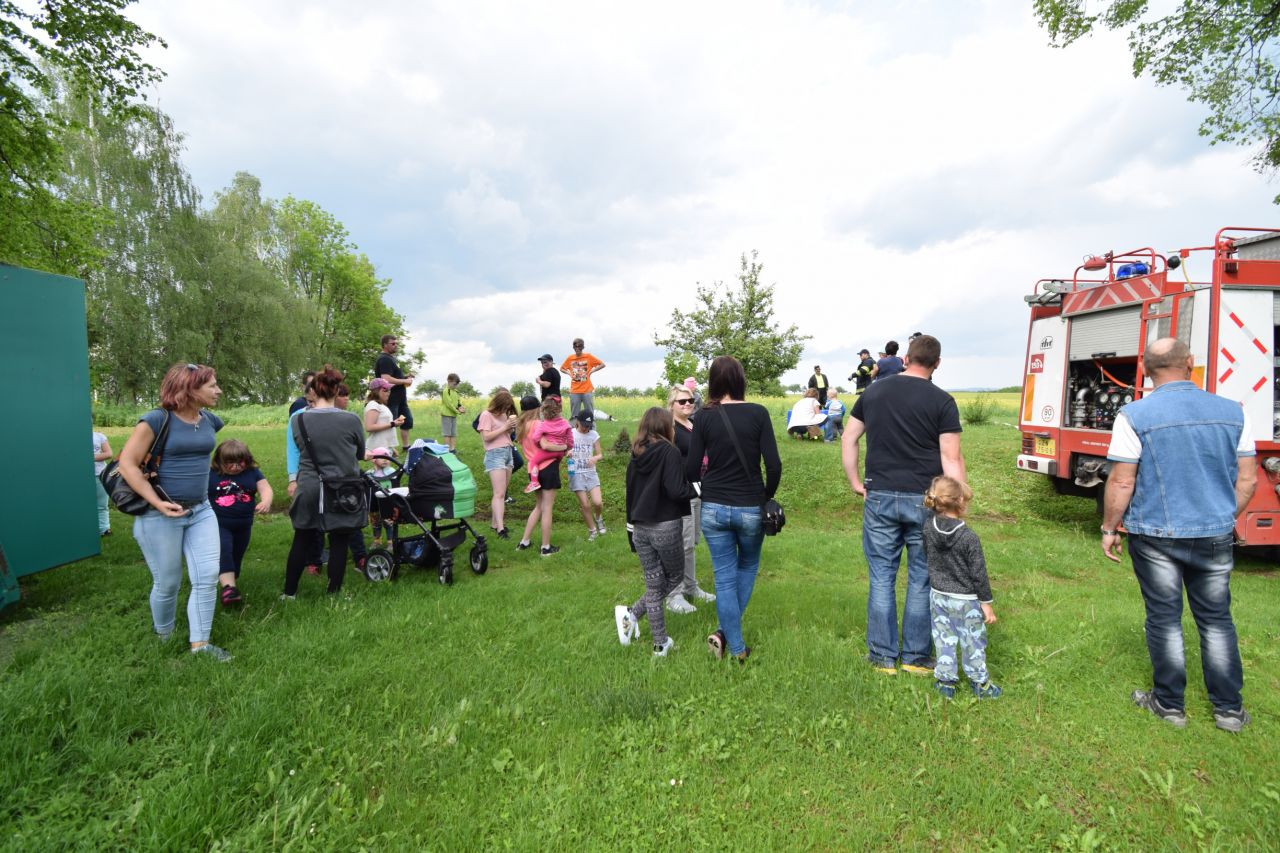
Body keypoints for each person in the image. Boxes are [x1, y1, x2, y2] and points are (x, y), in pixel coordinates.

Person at [1102, 337, 1257, 732]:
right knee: (1216, 619)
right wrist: (1222, 518)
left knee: (1165, 618)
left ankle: (1170, 706)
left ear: (1144, 368)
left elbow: (1122, 481)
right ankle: (1229, 711)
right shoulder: (1234, 412)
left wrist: (1109, 527)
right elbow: (1248, 480)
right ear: (1189, 362)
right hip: (1215, 532)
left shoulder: (1133, 415)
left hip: (1155, 535)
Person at [842, 334, 964, 676]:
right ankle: (915, 657)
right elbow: (951, 458)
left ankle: (882, 657)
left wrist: (855, 482)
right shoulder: (943, 401)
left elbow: (849, 438)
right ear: (937, 363)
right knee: (922, 577)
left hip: (880, 494)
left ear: (906, 359)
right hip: (926, 498)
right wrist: (956, 506)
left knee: (882, 576)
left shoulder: (873, 392)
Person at [116, 362, 229, 661]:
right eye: (212, 385)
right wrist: (157, 503)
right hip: (159, 515)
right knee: (168, 582)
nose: (218, 390)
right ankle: (163, 635)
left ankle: (200, 645)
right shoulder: (156, 420)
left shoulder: (210, 420)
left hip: (201, 510)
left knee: (207, 576)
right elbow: (127, 464)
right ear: (189, 389)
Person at [687, 355, 782, 663]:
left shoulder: (703, 417)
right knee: (748, 566)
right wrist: (765, 496)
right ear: (741, 380)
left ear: (713, 382)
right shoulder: (758, 413)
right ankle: (736, 647)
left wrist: (707, 485)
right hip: (750, 505)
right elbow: (774, 465)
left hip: (713, 507)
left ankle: (729, 638)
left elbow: (691, 468)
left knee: (724, 578)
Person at [615, 407, 699, 657]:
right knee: (673, 578)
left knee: (654, 583)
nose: (674, 429)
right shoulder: (670, 452)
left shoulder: (636, 454)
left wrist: (630, 531)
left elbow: (630, 495)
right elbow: (676, 490)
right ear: (665, 427)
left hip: (640, 528)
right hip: (665, 527)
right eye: (672, 425)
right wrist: (699, 487)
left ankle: (653, 636)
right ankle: (642, 624)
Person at [283, 366, 367, 598]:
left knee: (302, 538)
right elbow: (360, 453)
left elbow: (300, 449)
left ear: (313, 391)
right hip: (342, 488)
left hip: (309, 486)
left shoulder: (298, 420)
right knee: (339, 540)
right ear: (336, 390)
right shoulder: (351, 420)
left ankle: (289, 593)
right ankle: (333, 593)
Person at [923, 475, 1000, 699]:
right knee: (972, 641)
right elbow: (978, 574)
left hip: (938, 596)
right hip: (966, 600)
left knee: (943, 638)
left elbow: (927, 555)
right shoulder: (969, 537)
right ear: (960, 503)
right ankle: (980, 684)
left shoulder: (927, 527)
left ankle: (945, 683)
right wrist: (986, 603)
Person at [667, 385, 715, 614]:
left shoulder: (693, 425)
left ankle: (690, 586)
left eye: (690, 401)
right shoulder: (670, 429)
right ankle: (673, 595)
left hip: (697, 491)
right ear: (672, 404)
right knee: (681, 544)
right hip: (682, 493)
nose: (687, 404)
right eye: (682, 401)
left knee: (692, 542)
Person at [208, 439, 273, 607]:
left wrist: (266, 501)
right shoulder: (211, 474)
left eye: (240, 462)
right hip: (219, 523)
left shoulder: (252, 472)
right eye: (230, 462)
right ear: (219, 461)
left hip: (244, 524)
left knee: (237, 555)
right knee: (225, 550)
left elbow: (265, 488)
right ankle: (229, 589)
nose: (235, 466)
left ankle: (230, 581)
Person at [517, 397, 570, 555]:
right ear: (537, 408)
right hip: (547, 467)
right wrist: (564, 447)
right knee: (547, 509)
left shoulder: (521, 426)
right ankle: (545, 548)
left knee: (539, 506)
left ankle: (524, 542)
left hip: (533, 470)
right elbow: (546, 445)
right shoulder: (539, 425)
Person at [478, 388, 518, 540]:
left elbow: (505, 434)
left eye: (508, 407)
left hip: (508, 452)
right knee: (499, 493)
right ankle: (501, 529)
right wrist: (505, 427)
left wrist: (511, 428)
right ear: (498, 404)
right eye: (504, 407)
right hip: (495, 454)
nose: (506, 410)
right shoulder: (486, 415)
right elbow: (486, 437)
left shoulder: (504, 415)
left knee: (501, 491)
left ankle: (495, 524)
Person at [522, 396, 573, 494]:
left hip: (548, 453)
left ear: (544, 411)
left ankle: (534, 482)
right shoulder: (566, 423)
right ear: (559, 409)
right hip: (560, 453)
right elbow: (570, 439)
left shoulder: (543, 424)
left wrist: (538, 444)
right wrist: (568, 447)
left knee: (533, 462)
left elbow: (536, 438)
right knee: (556, 464)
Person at [568, 410, 605, 540]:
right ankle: (592, 531)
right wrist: (568, 452)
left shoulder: (593, 435)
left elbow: (600, 454)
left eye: (588, 426)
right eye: (584, 425)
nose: (586, 428)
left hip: (590, 473)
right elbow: (564, 450)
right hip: (575, 473)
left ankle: (598, 518)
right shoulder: (570, 433)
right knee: (585, 505)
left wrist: (595, 458)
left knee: (597, 502)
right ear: (578, 421)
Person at [375, 334, 415, 451]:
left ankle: (406, 446)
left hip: (401, 398)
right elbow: (386, 378)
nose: (395, 345)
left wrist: (405, 377)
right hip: (390, 397)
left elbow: (394, 376)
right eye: (393, 343)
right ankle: (386, 448)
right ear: (385, 345)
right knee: (390, 423)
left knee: (407, 421)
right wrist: (404, 381)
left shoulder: (392, 358)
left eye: (396, 343)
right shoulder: (384, 359)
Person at [560, 338, 605, 419]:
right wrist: (569, 373)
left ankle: (591, 427)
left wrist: (592, 371)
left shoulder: (588, 356)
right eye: (575, 346)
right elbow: (562, 368)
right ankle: (574, 427)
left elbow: (602, 364)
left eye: (579, 346)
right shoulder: (570, 358)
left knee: (589, 414)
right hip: (574, 391)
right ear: (573, 347)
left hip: (587, 390)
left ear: (583, 347)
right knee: (574, 415)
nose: (577, 348)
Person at [367, 447, 397, 546]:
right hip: (374, 504)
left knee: (388, 522)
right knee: (375, 522)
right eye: (382, 457)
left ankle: (390, 541)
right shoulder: (369, 474)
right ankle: (377, 540)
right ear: (374, 460)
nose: (385, 460)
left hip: (387, 503)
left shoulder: (392, 472)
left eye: (387, 458)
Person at [363, 378, 402, 455]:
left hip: (385, 447)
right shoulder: (373, 404)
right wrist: (393, 424)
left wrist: (391, 447)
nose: (389, 392)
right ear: (376, 391)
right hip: (378, 448)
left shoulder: (381, 405)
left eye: (389, 390)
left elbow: (384, 428)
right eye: (386, 390)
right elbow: (369, 427)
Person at [92, 427, 114, 536]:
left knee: (102, 504)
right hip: (80, 476)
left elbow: (109, 453)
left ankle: (104, 529)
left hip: (99, 474)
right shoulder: (73, 436)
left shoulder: (99, 436)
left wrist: (88, 457)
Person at [440, 373, 465, 451]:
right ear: (449, 381)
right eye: (454, 384)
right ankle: (446, 450)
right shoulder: (446, 391)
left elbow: (458, 402)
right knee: (447, 433)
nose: (455, 386)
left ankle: (452, 449)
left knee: (453, 433)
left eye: (457, 385)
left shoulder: (456, 392)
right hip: (446, 415)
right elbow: (449, 404)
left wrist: (461, 408)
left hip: (453, 415)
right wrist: (458, 411)